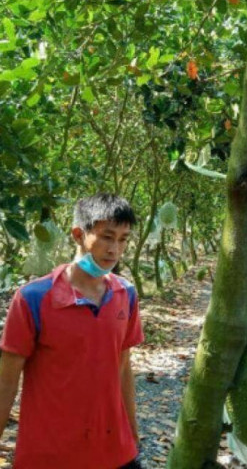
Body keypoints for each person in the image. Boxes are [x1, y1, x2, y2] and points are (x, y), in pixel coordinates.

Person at [0, 193, 144, 468]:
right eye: (106, 237)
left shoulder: (125, 294)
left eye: (123, 239)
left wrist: (133, 433)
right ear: (78, 235)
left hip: (115, 451)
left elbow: (123, 366)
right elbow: (6, 381)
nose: (115, 249)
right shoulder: (33, 298)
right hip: (51, 454)